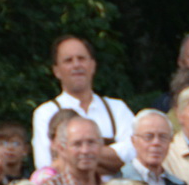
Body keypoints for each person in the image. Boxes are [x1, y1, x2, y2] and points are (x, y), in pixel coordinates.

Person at [30, 36, 132, 172]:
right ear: (56, 71)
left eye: (81, 58)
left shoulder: (118, 109)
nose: (76, 65)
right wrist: (112, 161)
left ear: (93, 65)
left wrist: (71, 156)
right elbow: (46, 168)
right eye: (68, 60)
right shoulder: (46, 113)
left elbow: (135, 155)